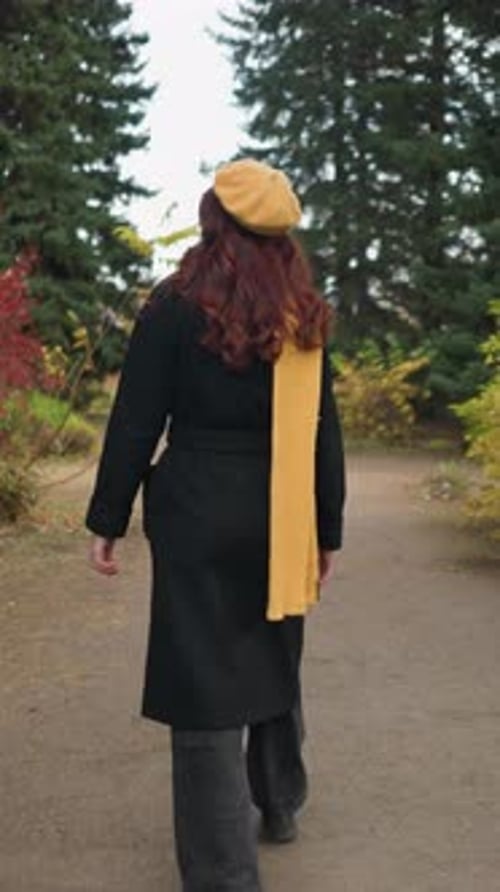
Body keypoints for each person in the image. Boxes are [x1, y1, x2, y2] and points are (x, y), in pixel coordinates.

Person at [86, 158, 345, 892]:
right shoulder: (305, 315)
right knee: (271, 645)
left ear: (214, 221)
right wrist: (326, 529)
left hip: (197, 507)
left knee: (203, 682)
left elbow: (138, 418)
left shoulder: (174, 304)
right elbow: (324, 432)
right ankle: (281, 800)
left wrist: (108, 518)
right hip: (282, 510)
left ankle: (226, 875)